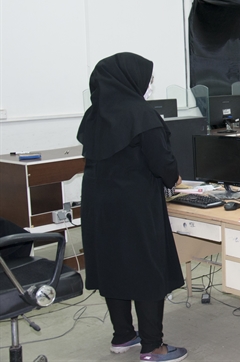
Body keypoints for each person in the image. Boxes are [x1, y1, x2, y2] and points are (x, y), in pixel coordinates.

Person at [77, 53, 187, 362]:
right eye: (148, 79)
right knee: (147, 270)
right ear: (130, 79)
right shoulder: (141, 114)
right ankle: (152, 346)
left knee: (113, 265)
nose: (149, 85)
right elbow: (161, 161)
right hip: (135, 206)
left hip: (99, 206)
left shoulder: (94, 115)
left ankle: (123, 335)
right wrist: (174, 178)